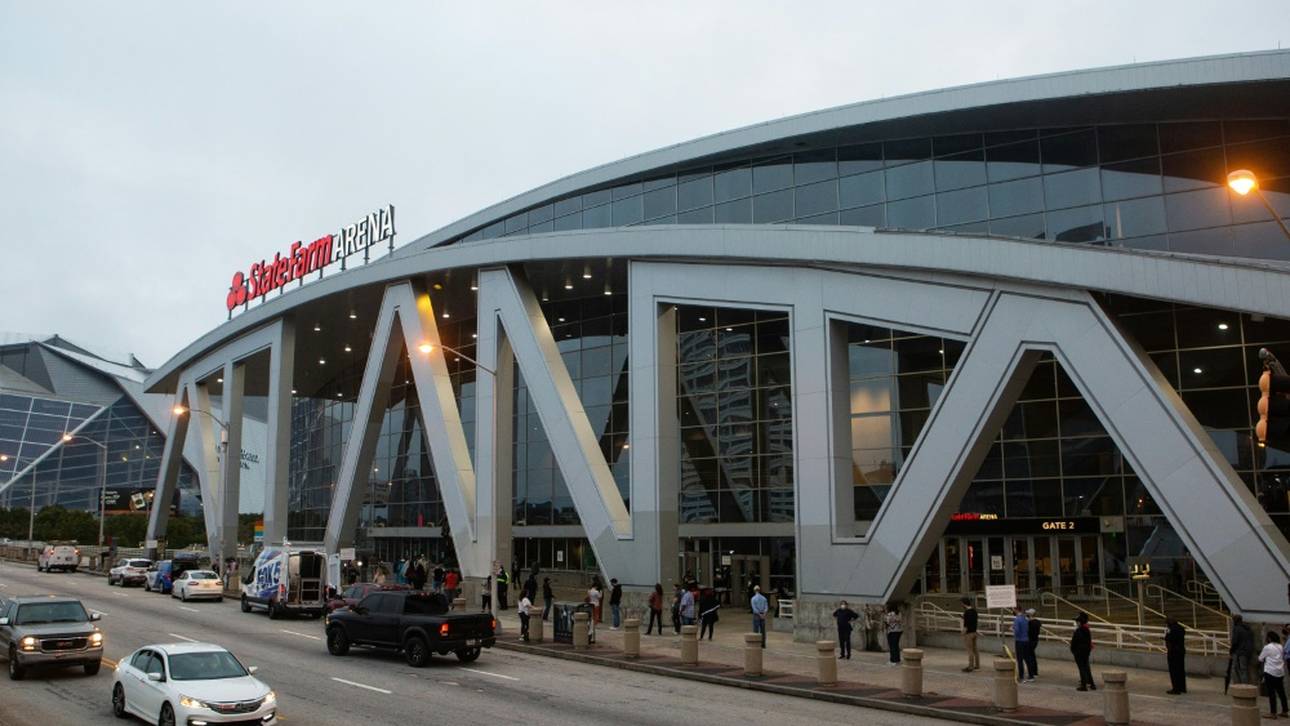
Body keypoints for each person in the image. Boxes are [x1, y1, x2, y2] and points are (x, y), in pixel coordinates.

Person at [1263, 631, 1289, 719]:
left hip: (1270, 672)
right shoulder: (1281, 646)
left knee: (1271, 693)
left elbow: (1260, 658)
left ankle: (1273, 713)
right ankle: (1285, 710)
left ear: (1269, 638)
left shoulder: (1267, 647)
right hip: (1280, 672)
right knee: (1281, 692)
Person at [1071, 612, 1096, 691]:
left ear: (1080, 622)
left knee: (1082, 668)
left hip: (1079, 652)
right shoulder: (1086, 629)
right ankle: (1091, 684)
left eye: (1077, 621)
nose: (1076, 623)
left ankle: (1084, 685)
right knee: (1086, 668)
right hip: (1086, 651)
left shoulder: (1079, 631)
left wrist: (1073, 650)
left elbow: (1075, 642)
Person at [1164, 617, 1187, 695]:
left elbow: (1168, 638)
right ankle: (1182, 688)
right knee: (1181, 670)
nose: (1166, 624)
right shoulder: (1181, 628)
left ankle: (1176, 689)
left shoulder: (1170, 629)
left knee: (1174, 671)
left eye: (1167, 623)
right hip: (1181, 651)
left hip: (1173, 652)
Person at [1232, 614, 1256, 685]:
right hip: (1248, 652)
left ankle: (1238, 685)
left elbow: (1235, 641)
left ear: (1235, 620)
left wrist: (1231, 650)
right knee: (1244, 669)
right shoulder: (1248, 629)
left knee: (1236, 668)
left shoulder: (1237, 628)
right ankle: (1244, 684)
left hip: (1239, 652)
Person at [1012, 606, 1032, 682]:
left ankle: (1021, 676)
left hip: (1019, 640)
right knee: (1027, 658)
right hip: (1026, 640)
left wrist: (1013, 630)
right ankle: (1031, 675)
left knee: (1020, 659)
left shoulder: (1017, 619)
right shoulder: (1025, 618)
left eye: (1013, 610)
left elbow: (1017, 630)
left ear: (1016, 610)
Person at [960, 596, 979, 672]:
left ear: (964, 603)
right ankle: (977, 665)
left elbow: (966, 626)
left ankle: (970, 666)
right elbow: (973, 621)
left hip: (969, 634)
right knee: (975, 650)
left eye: (961, 603)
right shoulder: (974, 611)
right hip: (974, 632)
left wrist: (962, 633)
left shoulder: (966, 612)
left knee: (970, 651)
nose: (961, 605)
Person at [1025, 608, 1042, 679]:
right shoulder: (1037, 622)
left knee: (1030, 656)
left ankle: (1032, 672)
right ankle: (1035, 671)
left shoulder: (1030, 623)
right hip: (1035, 640)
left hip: (1030, 640)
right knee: (1032, 656)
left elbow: (1028, 631)